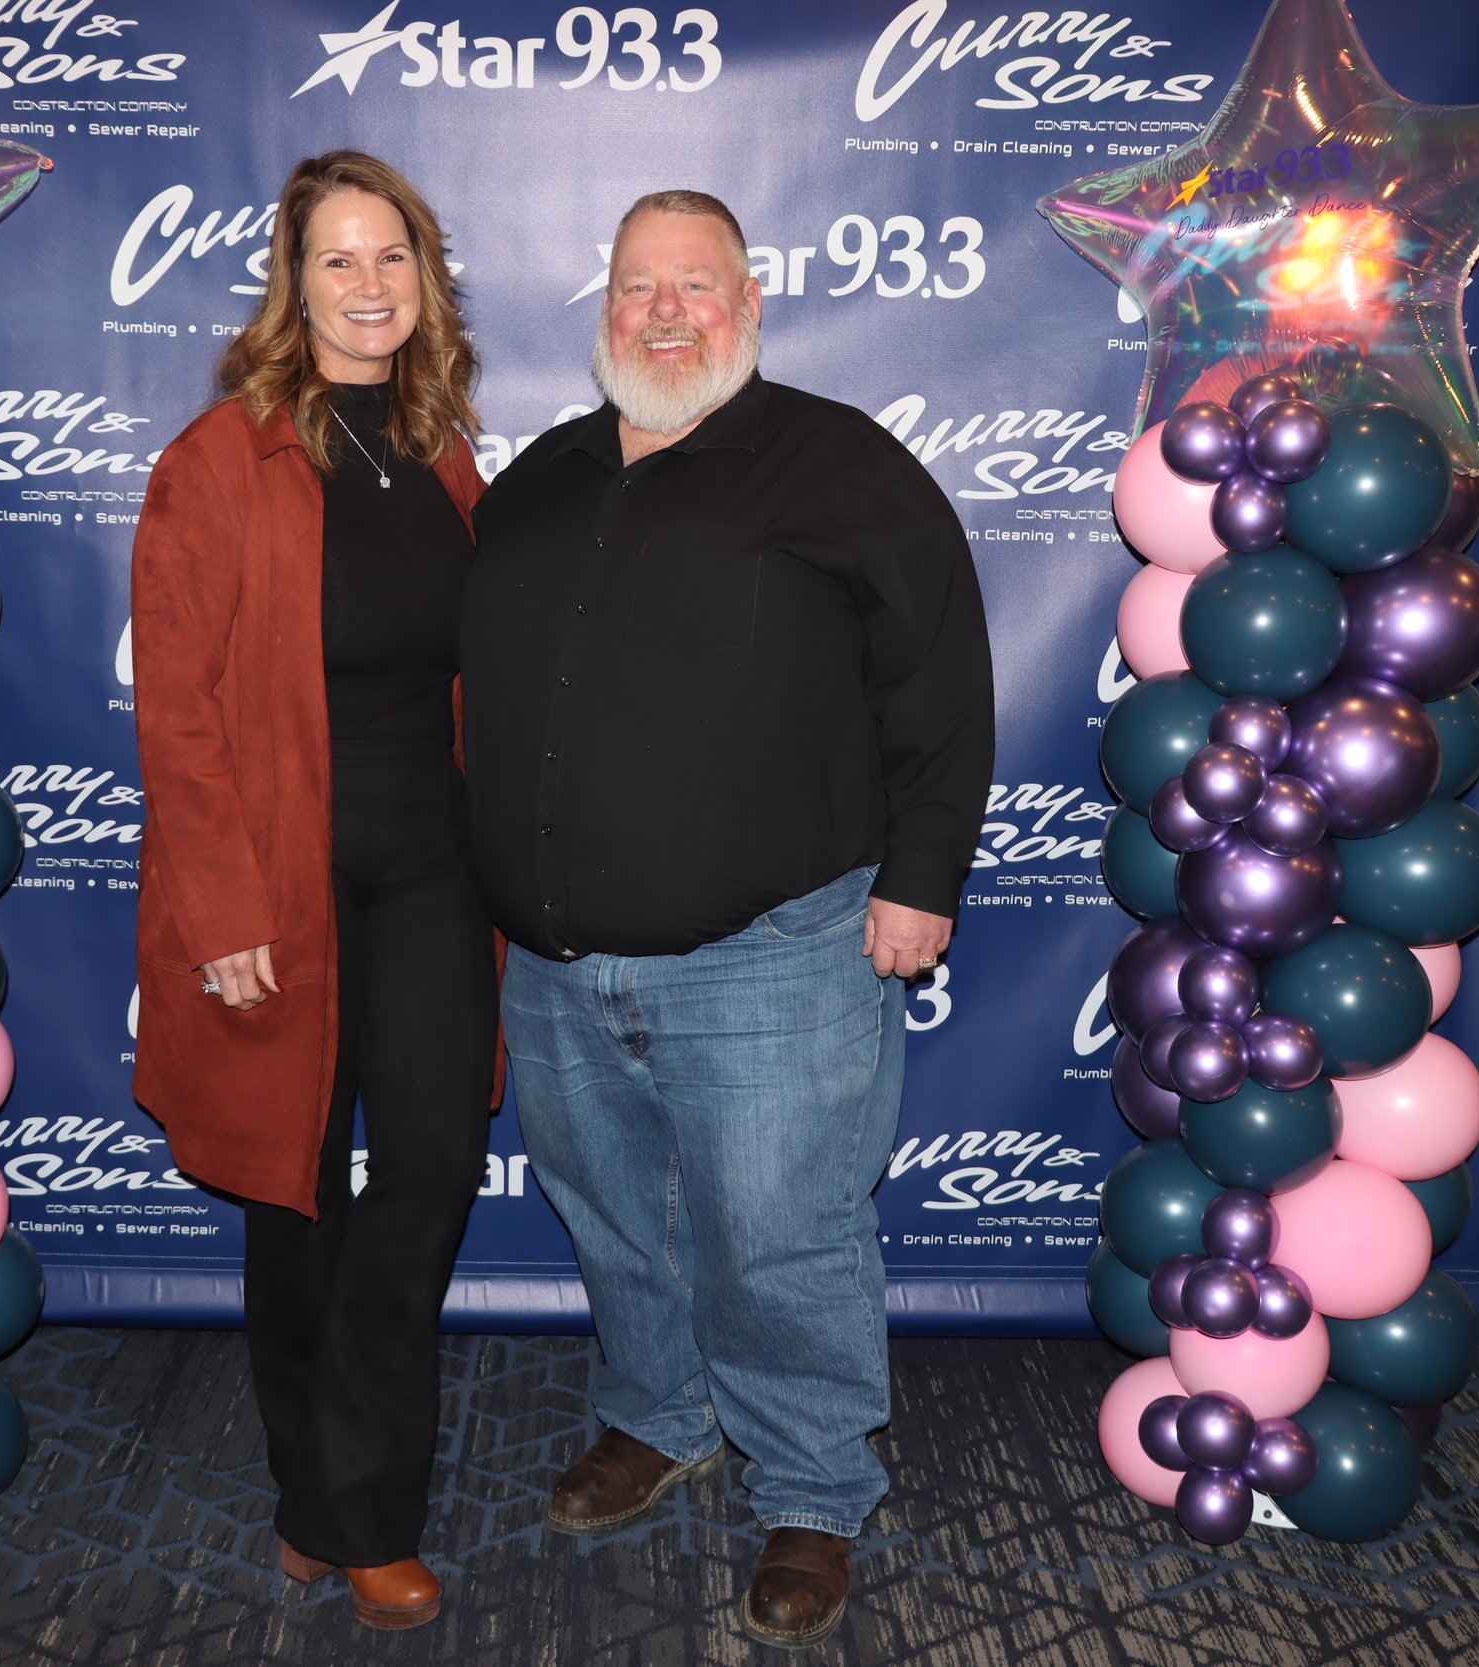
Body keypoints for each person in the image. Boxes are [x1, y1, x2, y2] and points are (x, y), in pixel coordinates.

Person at [460, 189, 994, 1648]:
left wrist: (924, 877)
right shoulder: (545, 478)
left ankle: (813, 1490)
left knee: (778, 1236)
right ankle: (660, 1413)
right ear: (603, 309)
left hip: (776, 952)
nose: (666, 310)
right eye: (639, 286)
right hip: (558, 964)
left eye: (697, 285)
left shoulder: (839, 464)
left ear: (750, 307)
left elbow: (940, 681)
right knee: (616, 1217)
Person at [129, 149, 498, 1632]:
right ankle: (329, 1502)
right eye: (338, 261)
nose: (368, 288)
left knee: (425, 1172)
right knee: (294, 1195)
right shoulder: (218, 461)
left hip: (430, 872)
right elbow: (181, 715)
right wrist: (221, 913)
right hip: (275, 882)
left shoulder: (445, 453)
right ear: (294, 284)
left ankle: (351, 1501)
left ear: (426, 280)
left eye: (391, 258)